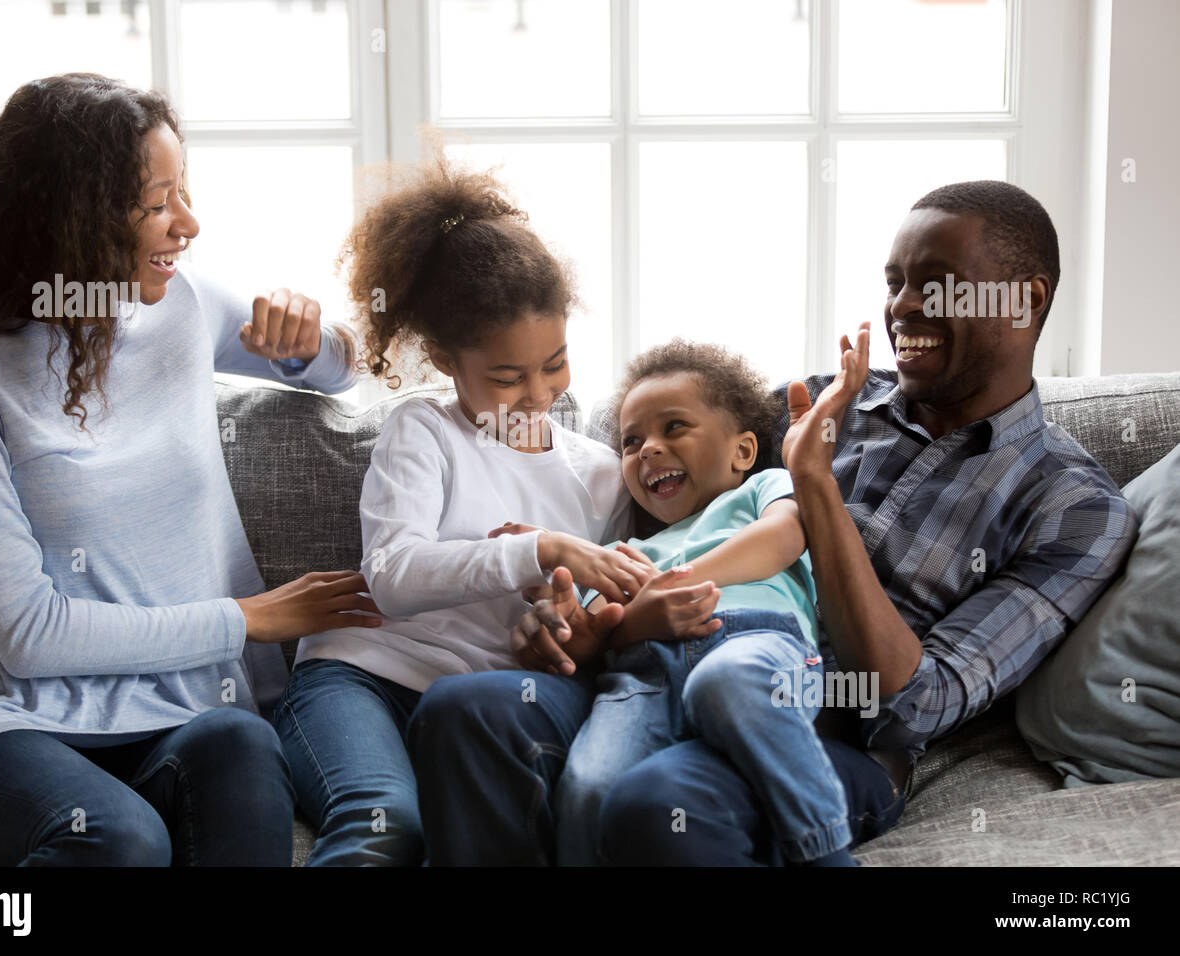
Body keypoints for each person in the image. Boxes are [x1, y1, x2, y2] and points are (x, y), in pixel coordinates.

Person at [407, 180, 1138, 865]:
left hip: (830, 728)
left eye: (934, 282)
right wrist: (561, 609)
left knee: (660, 804)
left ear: (1024, 300)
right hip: (666, 667)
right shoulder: (820, 397)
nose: (904, 307)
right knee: (467, 709)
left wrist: (814, 485)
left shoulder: (1073, 507)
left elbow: (913, 702)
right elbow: (676, 496)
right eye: (894, 283)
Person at [0, 73, 374, 866]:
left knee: (243, 749)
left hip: (176, 708)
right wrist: (249, 619)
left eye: (184, 192)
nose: (189, 223)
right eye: (157, 203)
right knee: (120, 840)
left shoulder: (177, 306)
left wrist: (309, 335)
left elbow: (345, 372)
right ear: (71, 217)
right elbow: (28, 638)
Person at [273, 157, 649, 865]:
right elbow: (393, 575)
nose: (539, 395)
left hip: (478, 709)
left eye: (556, 363)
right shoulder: (423, 430)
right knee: (383, 827)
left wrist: (556, 618)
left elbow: (584, 628)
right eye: (507, 377)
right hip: (360, 679)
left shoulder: (603, 477)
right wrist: (540, 549)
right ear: (446, 359)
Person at [535, 338, 865, 866]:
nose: (647, 449)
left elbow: (781, 541)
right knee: (589, 786)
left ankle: (826, 855)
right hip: (644, 676)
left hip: (755, 642)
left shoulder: (762, 489)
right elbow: (596, 629)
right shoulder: (628, 550)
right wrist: (557, 608)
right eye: (630, 441)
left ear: (743, 451)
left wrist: (669, 584)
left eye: (673, 427)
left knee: (727, 682)